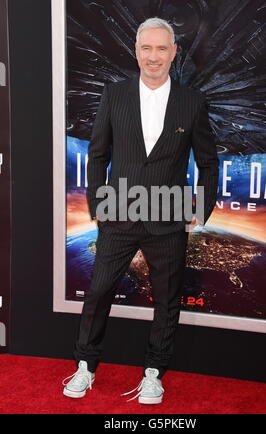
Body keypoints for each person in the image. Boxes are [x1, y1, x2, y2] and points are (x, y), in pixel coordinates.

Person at [62, 17, 219, 404]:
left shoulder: (192, 101)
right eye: (146, 48)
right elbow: (97, 154)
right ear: (136, 51)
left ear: (173, 53)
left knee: (167, 300)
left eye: (161, 48)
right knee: (98, 291)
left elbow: (209, 161)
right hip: (119, 212)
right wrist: (98, 203)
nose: (153, 56)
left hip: (169, 217)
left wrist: (202, 207)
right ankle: (85, 366)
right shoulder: (114, 94)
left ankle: (154, 374)